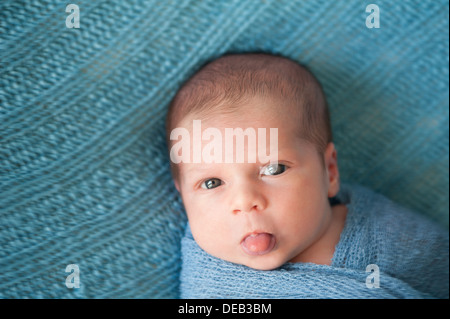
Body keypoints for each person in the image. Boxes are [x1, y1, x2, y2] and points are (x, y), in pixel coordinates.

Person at [165, 53, 449, 298]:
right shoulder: (211, 283)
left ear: (330, 171)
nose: (245, 200)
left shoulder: (391, 237)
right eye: (212, 183)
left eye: (274, 169)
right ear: (183, 196)